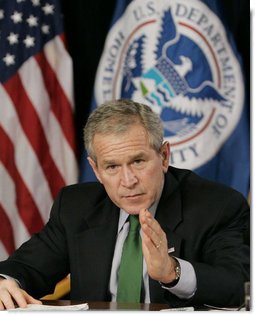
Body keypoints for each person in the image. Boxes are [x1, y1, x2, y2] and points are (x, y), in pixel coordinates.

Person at [0, 99, 250, 310]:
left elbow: (238, 286)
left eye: (138, 162)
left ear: (163, 156)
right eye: (112, 167)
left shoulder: (217, 206)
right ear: (96, 170)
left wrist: (172, 272)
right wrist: (4, 282)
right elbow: (28, 267)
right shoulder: (76, 206)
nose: (128, 181)